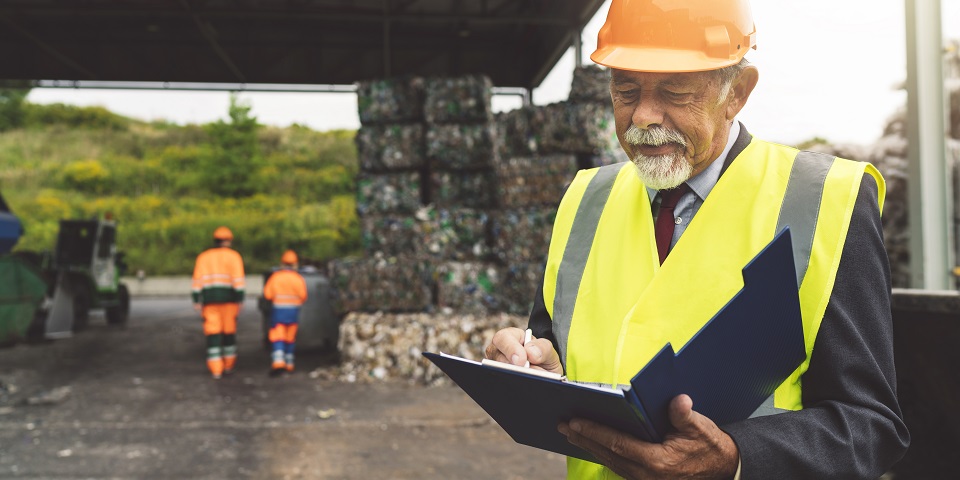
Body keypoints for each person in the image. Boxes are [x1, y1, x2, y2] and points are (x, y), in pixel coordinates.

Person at [484, 0, 910, 478]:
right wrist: (531, 366)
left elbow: (870, 426)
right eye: (625, 90)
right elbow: (552, 348)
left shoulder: (828, 201)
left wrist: (734, 457)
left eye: (675, 91)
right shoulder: (585, 199)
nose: (644, 115)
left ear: (738, 93)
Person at [191, 226, 245, 379]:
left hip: (209, 302)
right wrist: (240, 298)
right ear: (228, 241)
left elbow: (197, 279)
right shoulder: (234, 256)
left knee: (213, 333)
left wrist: (196, 299)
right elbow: (238, 280)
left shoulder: (204, 257)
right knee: (228, 332)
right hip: (229, 301)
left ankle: (216, 369)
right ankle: (229, 365)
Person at [262, 250, 308, 376]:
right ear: (295, 265)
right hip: (293, 312)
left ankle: (278, 363)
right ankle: (289, 364)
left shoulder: (275, 277)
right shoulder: (298, 279)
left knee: (278, 337)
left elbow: (267, 295)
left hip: (278, 312)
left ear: (282, 264)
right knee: (290, 338)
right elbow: (303, 296)